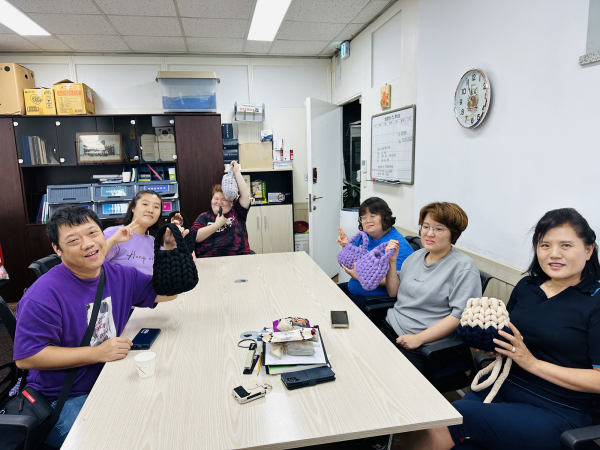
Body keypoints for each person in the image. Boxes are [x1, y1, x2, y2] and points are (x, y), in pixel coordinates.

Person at [400, 208, 600, 450]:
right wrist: (492, 345)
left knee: (452, 416)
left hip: (557, 410)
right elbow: (507, 335)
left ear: (588, 250)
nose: (553, 254)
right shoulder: (527, 286)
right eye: (544, 245)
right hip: (502, 383)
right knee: (450, 430)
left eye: (566, 245)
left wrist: (532, 363)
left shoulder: (594, 301)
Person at [13, 206, 179, 447]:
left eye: (92, 233)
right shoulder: (43, 295)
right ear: (57, 250)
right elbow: (27, 358)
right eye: (73, 240)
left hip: (113, 379)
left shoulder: (120, 275)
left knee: (164, 421)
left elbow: (168, 293)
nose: (88, 244)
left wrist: (172, 249)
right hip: (64, 398)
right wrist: (97, 353)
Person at [382, 202, 481, 377]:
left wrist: (418, 339)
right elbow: (393, 292)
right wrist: (391, 263)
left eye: (439, 229)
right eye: (426, 226)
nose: (429, 233)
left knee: (390, 383)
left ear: (453, 234)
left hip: (424, 344)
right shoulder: (416, 256)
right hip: (391, 326)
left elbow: (459, 316)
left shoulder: (463, 267)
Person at [336, 197, 413, 311]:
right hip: (354, 288)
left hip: (374, 299)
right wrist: (347, 246)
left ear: (385, 217)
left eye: (373, 216)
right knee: (327, 292)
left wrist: (358, 277)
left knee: (336, 306)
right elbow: (353, 263)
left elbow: (395, 281)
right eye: (364, 217)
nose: (367, 221)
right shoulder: (365, 236)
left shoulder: (398, 246)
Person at [104, 190, 189, 275]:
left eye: (156, 207)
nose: (150, 210)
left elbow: (166, 274)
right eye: (145, 204)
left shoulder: (153, 242)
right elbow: (94, 262)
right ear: (132, 208)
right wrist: (113, 241)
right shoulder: (114, 233)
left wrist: (171, 244)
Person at [191, 161, 252, 258]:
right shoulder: (204, 217)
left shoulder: (237, 213)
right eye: (216, 199)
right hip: (209, 261)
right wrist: (217, 225)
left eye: (224, 199)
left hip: (239, 259)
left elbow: (245, 196)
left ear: (231, 202)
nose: (219, 202)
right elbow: (194, 237)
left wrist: (236, 172)